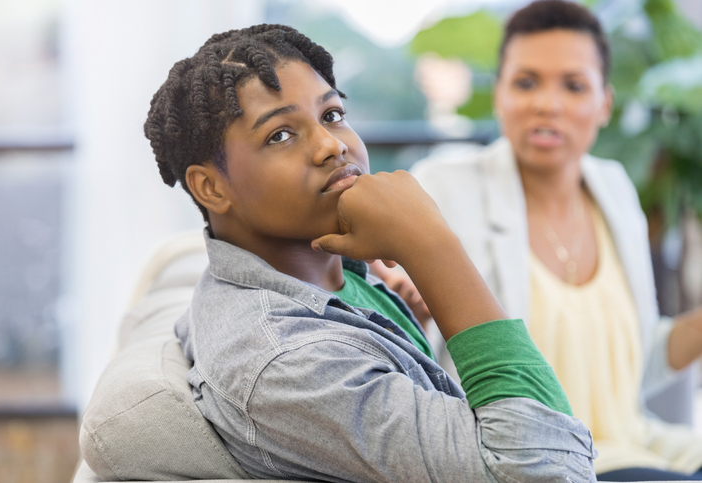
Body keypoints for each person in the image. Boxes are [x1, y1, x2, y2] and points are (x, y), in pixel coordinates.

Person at [143, 24, 597, 482]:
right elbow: (550, 470)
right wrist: (432, 246)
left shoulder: (336, 276)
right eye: (281, 135)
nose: (331, 145)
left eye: (332, 114)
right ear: (211, 187)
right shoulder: (285, 366)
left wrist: (404, 322)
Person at [394, 1, 702, 481]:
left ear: (605, 104)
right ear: (498, 95)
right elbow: (403, 334)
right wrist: (414, 305)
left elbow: (633, 371)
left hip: (639, 444)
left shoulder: (615, 189)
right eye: (526, 82)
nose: (547, 104)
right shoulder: (444, 187)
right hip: (537, 460)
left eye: (573, 85)